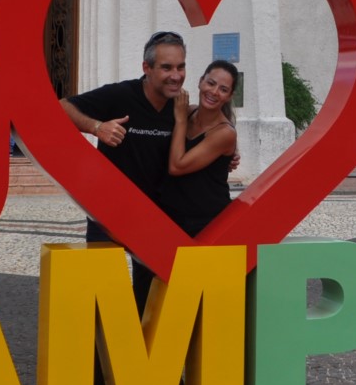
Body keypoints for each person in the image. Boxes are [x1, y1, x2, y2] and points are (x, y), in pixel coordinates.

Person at [59, 30, 187, 309]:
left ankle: (141, 351)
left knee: (150, 299)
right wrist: (97, 127)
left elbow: (205, 133)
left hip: (156, 218)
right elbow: (61, 108)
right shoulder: (120, 95)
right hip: (108, 214)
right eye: (166, 67)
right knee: (98, 295)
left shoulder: (181, 107)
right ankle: (96, 352)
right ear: (147, 68)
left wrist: (228, 155)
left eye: (180, 66)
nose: (175, 75)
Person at [158, 60, 240, 237]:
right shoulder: (188, 112)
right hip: (173, 216)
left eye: (223, 89)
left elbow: (177, 166)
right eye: (211, 83)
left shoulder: (224, 132)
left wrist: (180, 120)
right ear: (200, 81)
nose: (214, 92)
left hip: (206, 222)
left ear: (229, 96)